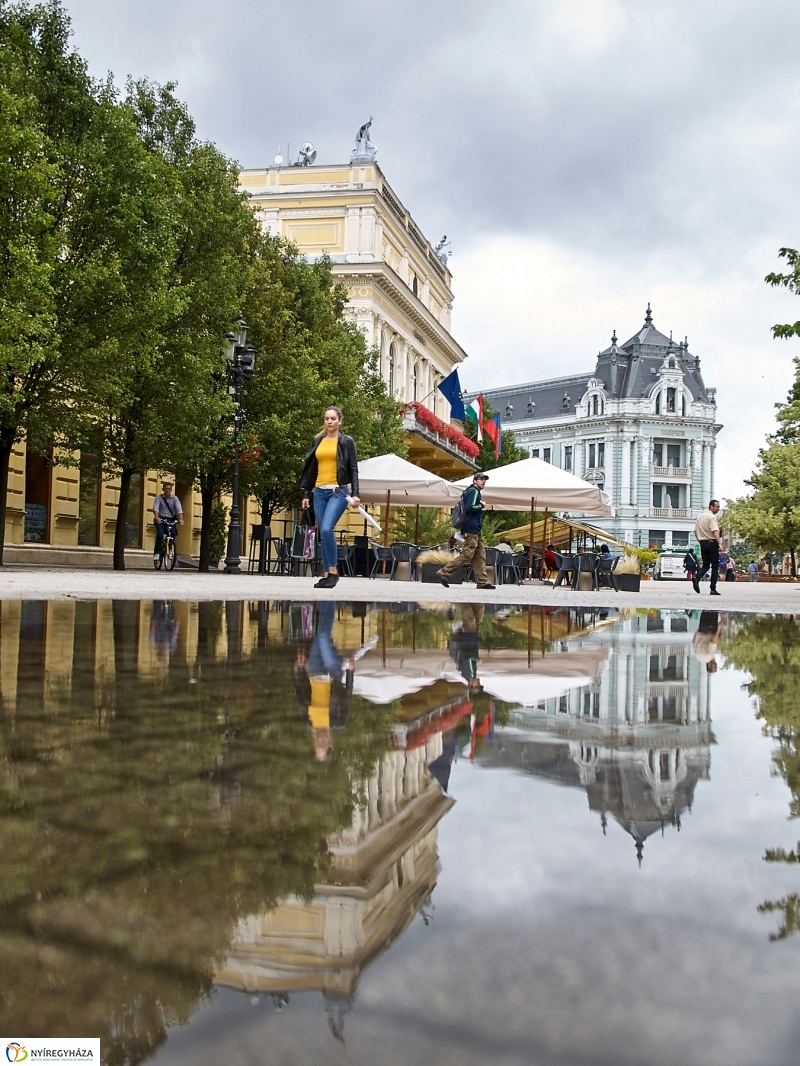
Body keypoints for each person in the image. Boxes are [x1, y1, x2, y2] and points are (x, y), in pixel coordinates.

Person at [299, 406, 360, 590]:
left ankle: (333, 572)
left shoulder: (346, 442)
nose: (330, 421)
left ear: (340, 420)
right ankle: (326, 575)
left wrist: (356, 494)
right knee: (323, 533)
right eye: (327, 418)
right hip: (319, 492)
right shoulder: (317, 441)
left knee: (326, 529)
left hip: (338, 492)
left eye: (333, 418)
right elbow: (310, 469)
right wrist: (306, 493)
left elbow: (353, 469)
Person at [437, 473, 495, 589]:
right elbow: (470, 508)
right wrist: (481, 505)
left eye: (485, 480)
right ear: (475, 481)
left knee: (480, 556)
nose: (483, 482)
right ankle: (444, 572)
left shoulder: (470, 491)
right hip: (471, 529)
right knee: (467, 554)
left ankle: (482, 582)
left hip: (475, 529)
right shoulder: (474, 491)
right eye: (481, 480)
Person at [693, 499, 724, 596]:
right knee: (715, 566)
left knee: (706, 564)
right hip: (712, 543)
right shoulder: (712, 517)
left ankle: (697, 578)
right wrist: (720, 543)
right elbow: (715, 531)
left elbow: (695, 531)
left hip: (703, 543)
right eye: (717, 506)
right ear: (711, 506)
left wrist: (700, 541)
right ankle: (713, 589)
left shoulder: (700, 516)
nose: (718, 509)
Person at [152, 481, 184, 562]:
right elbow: (155, 509)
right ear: (163, 489)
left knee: (173, 533)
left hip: (170, 519)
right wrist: (157, 517)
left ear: (171, 489)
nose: (167, 490)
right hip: (161, 519)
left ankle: (170, 550)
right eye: (166, 489)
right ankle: (157, 553)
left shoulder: (175, 498)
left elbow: (179, 509)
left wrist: (181, 519)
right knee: (160, 533)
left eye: (169, 489)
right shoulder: (159, 498)